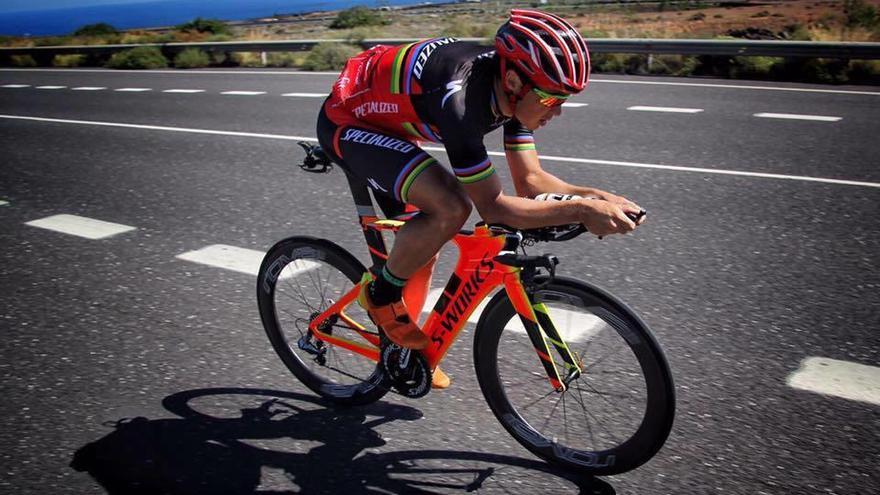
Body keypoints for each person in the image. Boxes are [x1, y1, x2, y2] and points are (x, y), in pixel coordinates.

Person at [315, 9, 645, 387]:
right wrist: (583, 211)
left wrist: (599, 198)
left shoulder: (517, 90)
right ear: (513, 79)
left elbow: (532, 182)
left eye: (563, 100)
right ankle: (381, 294)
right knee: (451, 206)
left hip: (393, 118)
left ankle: (399, 348)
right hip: (348, 122)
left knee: (425, 244)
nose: (559, 111)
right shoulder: (462, 102)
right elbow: (495, 207)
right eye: (552, 100)